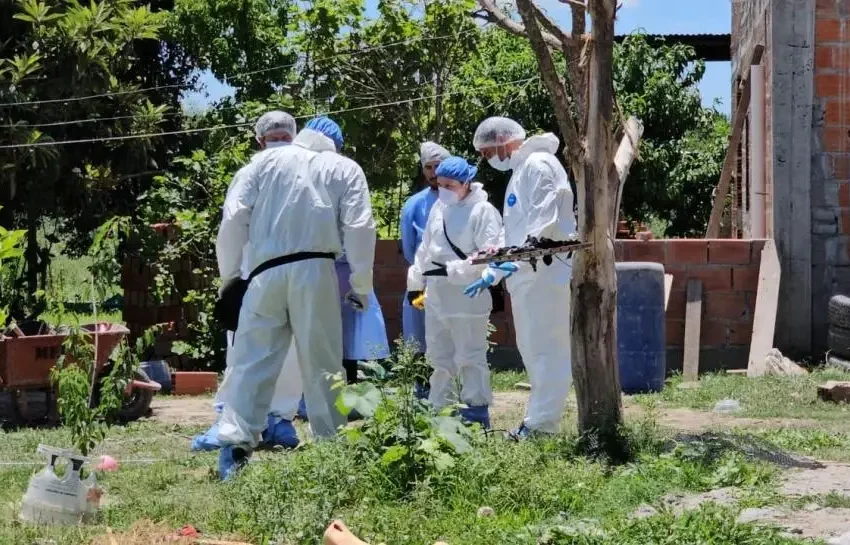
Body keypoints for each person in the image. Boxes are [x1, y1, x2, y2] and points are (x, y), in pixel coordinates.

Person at [215, 117, 376, 479]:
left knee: (252, 360)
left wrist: (229, 279)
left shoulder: (259, 165)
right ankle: (330, 449)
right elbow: (360, 227)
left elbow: (233, 221)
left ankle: (235, 450)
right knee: (323, 362)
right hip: (315, 270)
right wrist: (361, 285)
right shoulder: (342, 167)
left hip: (262, 274)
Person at [193, 111, 302, 452]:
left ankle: (234, 419)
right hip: (300, 272)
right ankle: (278, 421)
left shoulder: (250, 172)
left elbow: (233, 222)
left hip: (255, 272)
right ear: (294, 137)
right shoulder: (309, 171)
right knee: (291, 349)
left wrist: (230, 278)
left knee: (244, 348)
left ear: (258, 140)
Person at [465, 116, 576, 441]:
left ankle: (543, 426)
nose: (488, 160)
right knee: (532, 348)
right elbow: (513, 233)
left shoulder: (539, 164)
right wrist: (495, 262)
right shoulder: (519, 174)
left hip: (545, 270)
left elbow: (546, 221)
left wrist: (517, 255)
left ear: (502, 140)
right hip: (528, 274)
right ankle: (538, 420)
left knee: (547, 349)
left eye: (487, 153)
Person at [406, 156, 504, 429]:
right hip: (437, 293)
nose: (444, 190)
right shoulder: (439, 207)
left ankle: (475, 413)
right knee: (438, 355)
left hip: (467, 294)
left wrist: (458, 270)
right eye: (440, 184)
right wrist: (415, 281)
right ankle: (441, 412)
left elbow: (489, 252)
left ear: (466, 183)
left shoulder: (483, 211)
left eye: (450, 185)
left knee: (470, 355)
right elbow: (425, 248)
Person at [399, 142, 450, 355]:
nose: (434, 172)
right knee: (419, 337)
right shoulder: (413, 205)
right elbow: (409, 248)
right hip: (423, 279)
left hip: (456, 277)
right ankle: (422, 387)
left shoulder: (463, 199)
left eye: (438, 166)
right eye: (428, 167)